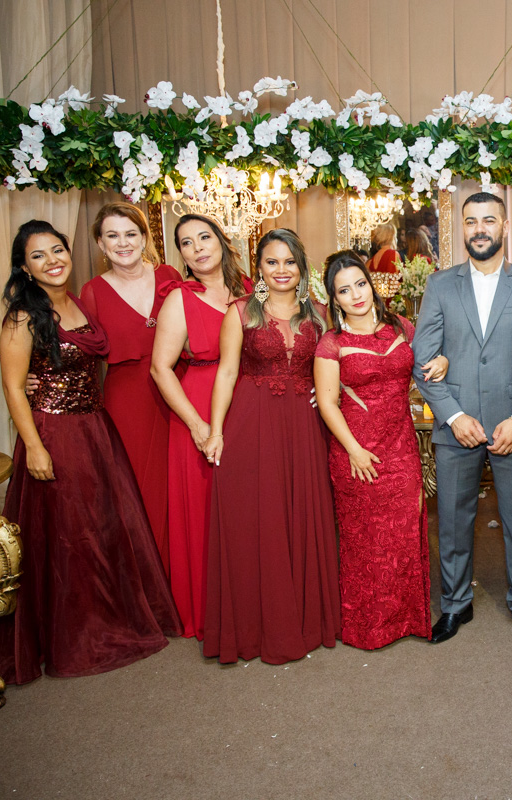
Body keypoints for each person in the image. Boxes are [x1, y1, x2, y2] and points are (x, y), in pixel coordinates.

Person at [0, 220, 179, 684]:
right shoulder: (22, 316)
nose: (52, 261)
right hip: (55, 433)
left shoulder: (75, 302)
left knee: (103, 526)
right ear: (24, 267)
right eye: (38, 256)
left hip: (95, 426)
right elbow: (13, 387)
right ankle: (77, 634)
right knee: (70, 535)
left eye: (57, 250)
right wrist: (35, 447)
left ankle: (111, 618)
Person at [411, 191, 512, 644]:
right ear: (463, 228)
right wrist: (453, 415)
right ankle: (455, 604)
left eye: (489, 220)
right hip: (455, 425)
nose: (480, 229)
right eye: (472, 221)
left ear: (504, 227)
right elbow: (423, 360)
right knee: (453, 522)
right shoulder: (439, 285)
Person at [202, 229, 340, 664]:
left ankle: (306, 620)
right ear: (258, 267)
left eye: (289, 262)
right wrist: (216, 431)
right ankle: (260, 626)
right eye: (272, 262)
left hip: (305, 426)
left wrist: (329, 392)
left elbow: (337, 365)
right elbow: (227, 373)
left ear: (302, 266)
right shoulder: (241, 311)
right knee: (259, 520)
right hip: (253, 423)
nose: (281, 270)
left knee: (302, 513)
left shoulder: (319, 314)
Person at [315, 251, 442, 649]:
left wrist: (441, 362)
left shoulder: (401, 326)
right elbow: (327, 403)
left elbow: (430, 362)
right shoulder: (331, 343)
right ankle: (369, 627)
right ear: (334, 299)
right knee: (366, 541)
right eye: (344, 290)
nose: (356, 295)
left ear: (371, 285)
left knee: (404, 533)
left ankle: (407, 620)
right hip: (356, 450)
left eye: (360, 284)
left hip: (401, 446)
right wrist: (353, 449)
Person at [150, 214, 247, 640]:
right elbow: (160, 368)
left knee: (246, 508)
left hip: (249, 405)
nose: (198, 248)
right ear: (182, 256)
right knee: (205, 513)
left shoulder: (254, 289)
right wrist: (195, 424)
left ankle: (249, 601)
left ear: (222, 241)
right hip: (199, 406)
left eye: (204, 237)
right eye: (186, 243)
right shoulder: (179, 299)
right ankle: (210, 611)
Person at [80, 202, 181, 570]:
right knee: (137, 491)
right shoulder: (92, 292)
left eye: (130, 234)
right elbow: (79, 354)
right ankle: (148, 580)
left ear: (143, 238)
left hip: (179, 395)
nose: (123, 243)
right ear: (101, 244)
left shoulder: (170, 276)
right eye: (112, 236)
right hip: (127, 405)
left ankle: (184, 577)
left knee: (180, 486)